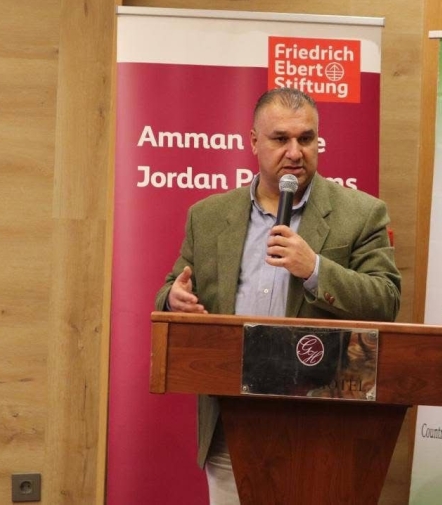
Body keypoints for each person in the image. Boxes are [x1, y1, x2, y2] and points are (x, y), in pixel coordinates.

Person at [155, 87, 401, 504]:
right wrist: (173, 300)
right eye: (280, 139)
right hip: (230, 423)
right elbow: (171, 287)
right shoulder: (208, 216)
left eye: (306, 139)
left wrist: (315, 269)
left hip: (323, 428)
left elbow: (386, 299)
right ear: (254, 142)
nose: (294, 152)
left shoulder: (361, 213)